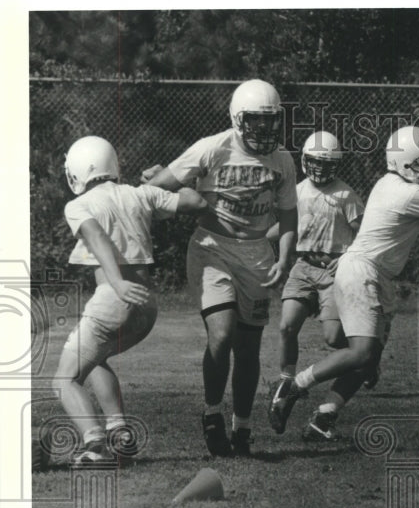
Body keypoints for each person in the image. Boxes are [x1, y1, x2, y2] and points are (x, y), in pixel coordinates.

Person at [267, 126, 419, 436]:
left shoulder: (392, 184)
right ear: (406, 162)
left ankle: (324, 416)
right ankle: (293, 387)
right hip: (364, 272)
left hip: (371, 273)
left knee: (369, 358)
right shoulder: (408, 192)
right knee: (362, 352)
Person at [144, 79, 298, 457]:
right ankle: (212, 414)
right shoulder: (213, 147)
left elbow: (290, 217)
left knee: (248, 349)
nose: (263, 129)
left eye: (269, 121)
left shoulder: (282, 160)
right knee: (222, 334)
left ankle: (242, 427)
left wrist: (284, 257)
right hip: (212, 249)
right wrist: (173, 189)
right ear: (236, 118)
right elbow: (157, 189)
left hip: (257, 255)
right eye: (255, 121)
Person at [56, 136, 207, 465]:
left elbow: (97, 239)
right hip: (146, 308)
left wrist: (117, 283)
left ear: (78, 171)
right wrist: (168, 177)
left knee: (64, 381)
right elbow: (196, 202)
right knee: (96, 359)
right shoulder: (141, 193)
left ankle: (95, 446)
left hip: (115, 299)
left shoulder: (78, 205)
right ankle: (120, 434)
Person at [271, 130, 365, 440]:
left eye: (326, 164)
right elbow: (286, 225)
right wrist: (253, 238)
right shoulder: (297, 191)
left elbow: (364, 234)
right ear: (304, 161)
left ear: (336, 165)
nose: (319, 169)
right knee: (286, 325)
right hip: (303, 265)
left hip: (334, 269)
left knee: (335, 338)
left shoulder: (345, 195)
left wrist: (349, 256)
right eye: (314, 162)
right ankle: (286, 381)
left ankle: (360, 365)